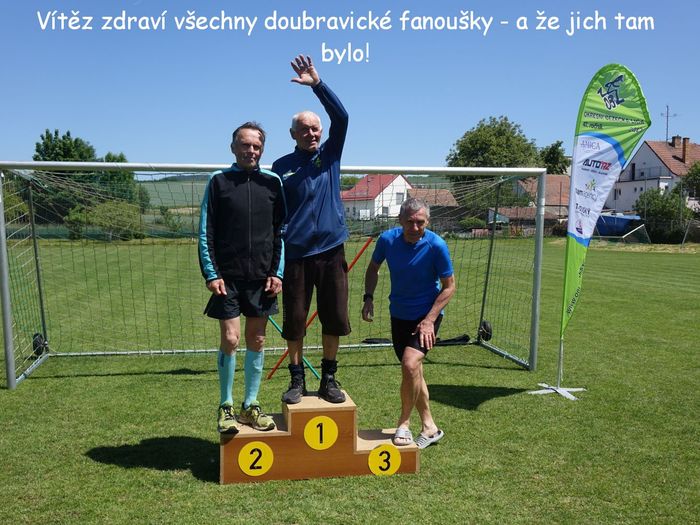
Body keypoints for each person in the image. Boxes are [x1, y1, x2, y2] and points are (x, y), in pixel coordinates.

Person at [271, 55, 350, 404]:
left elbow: (342, 117)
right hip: (297, 255)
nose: (311, 133)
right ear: (293, 134)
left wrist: (317, 84)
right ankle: (297, 380)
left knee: (334, 318)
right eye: (304, 129)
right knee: (295, 321)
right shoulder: (281, 166)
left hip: (332, 251)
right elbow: (274, 211)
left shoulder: (330, 155)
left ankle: (329, 378)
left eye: (315, 128)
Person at [199, 122, 286, 434]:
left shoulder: (273, 182)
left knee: (258, 340)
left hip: (262, 279)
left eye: (256, 146)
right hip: (228, 279)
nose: (251, 150)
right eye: (245, 145)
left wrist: (277, 272)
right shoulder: (218, 181)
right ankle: (226, 406)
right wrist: (212, 273)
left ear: (262, 149)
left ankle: (251, 405)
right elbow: (205, 231)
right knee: (231, 339)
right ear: (233, 147)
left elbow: (280, 232)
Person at [361, 198, 455, 449]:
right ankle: (430, 427)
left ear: (428, 222)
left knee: (410, 363)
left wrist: (429, 320)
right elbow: (373, 268)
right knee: (413, 371)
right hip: (399, 315)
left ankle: (403, 423)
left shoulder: (437, 245)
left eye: (420, 222)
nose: (415, 228)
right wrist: (368, 297)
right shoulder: (387, 240)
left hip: (426, 316)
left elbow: (449, 287)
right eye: (410, 222)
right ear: (400, 220)